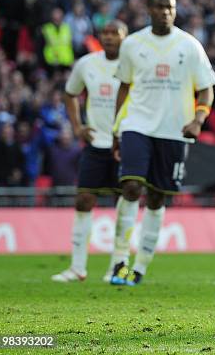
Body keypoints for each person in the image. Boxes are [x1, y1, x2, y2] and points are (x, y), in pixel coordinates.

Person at [108, 0, 215, 286]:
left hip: (174, 130)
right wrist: (116, 128)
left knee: (157, 197)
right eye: (159, 7)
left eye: (170, 7)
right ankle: (119, 260)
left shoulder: (189, 45)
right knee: (131, 187)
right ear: (148, 9)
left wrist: (198, 119)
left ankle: (140, 266)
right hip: (137, 125)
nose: (165, 12)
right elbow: (124, 87)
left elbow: (206, 88)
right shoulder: (133, 44)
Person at [52, 20, 128, 283]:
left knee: (125, 204)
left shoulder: (134, 65)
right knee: (84, 200)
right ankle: (77, 267)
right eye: (105, 33)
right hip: (96, 143)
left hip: (125, 144)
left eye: (114, 33)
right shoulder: (87, 64)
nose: (108, 38)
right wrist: (77, 126)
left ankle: (119, 266)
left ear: (124, 37)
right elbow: (70, 93)